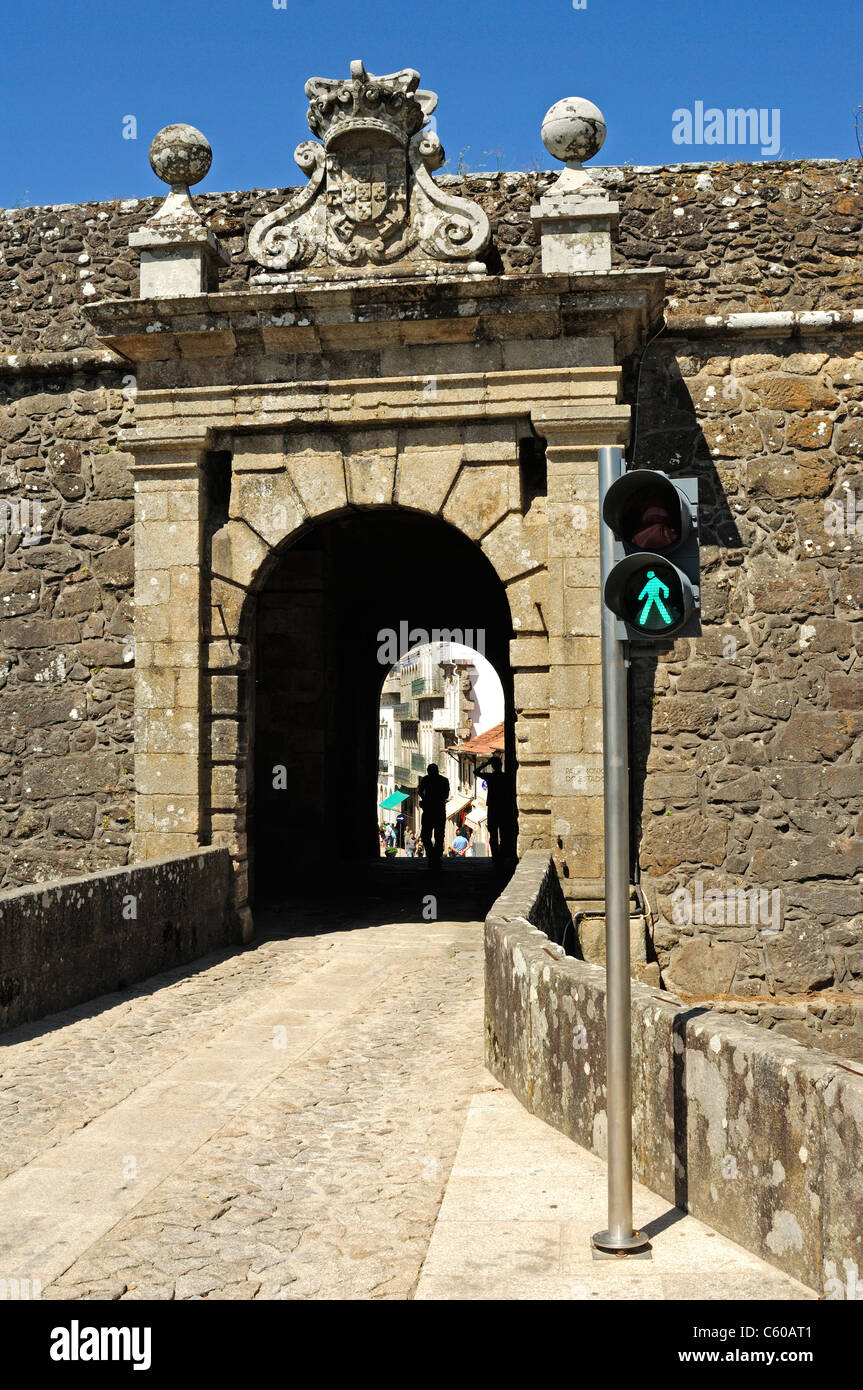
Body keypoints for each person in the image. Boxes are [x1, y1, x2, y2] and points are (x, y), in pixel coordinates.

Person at [417, 762, 449, 870]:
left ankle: (431, 855)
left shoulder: (426, 779)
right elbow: (446, 795)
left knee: (426, 835)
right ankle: (436, 855)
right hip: (440, 810)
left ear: (429, 771)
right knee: (439, 835)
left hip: (429, 810)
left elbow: (420, 791)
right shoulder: (444, 780)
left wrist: (426, 799)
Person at [478, 755, 506, 861]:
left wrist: (486, 763)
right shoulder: (505, 777)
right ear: (501, 765)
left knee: (493, 834)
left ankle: (495, 856)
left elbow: (476, 772)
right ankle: (502, 855)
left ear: (493, 766)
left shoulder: (490, 777)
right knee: (503, 833)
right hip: (503, 807)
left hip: (493, 807)